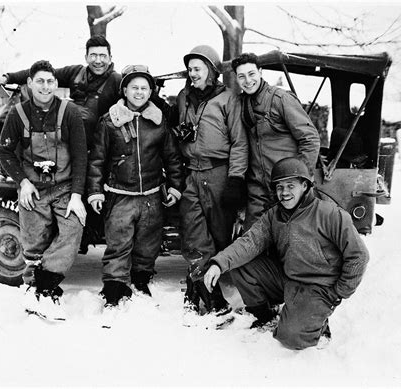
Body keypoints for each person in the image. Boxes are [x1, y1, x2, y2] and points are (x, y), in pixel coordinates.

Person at [203, 157, 369, 350]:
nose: (284, 192)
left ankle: (319, 323)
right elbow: (249, 242)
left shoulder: (330, 213)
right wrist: (219, 263)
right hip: (288, 278)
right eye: (280, 187)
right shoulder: (274, 215)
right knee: (240, 265)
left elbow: (359, 255)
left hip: (319, 287)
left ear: (305, 185)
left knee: (290, 338)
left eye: (291, 186)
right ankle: (266, 316)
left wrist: (339, 292)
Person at [0, 35, 122, 253]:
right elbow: (41, 74)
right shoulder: (76, 72)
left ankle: (84, 234)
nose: (98, 60)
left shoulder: (116, 81)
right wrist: (9, 77)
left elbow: (139, 94)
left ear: (110, 57)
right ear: (86, 56)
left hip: (99, 143)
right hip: (66, 140)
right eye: (93, 55)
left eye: (103, 56)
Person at [158, 45, 248, 315]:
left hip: (218, 172)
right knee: (194, 232)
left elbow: (240, 142)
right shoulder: (184, 96)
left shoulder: (229, 99)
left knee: (219, 236)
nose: (192, 73)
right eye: (190, 69)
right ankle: (209, 296)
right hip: (191, 173)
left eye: (197, 68)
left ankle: (197, 286)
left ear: (211, 70)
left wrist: (236, 179)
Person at [86, 65, 183, 307]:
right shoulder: (110, 121)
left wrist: (174, 186)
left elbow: (172, 157)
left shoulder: (159, 122)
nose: (139, 92)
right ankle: (115, 288)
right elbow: (97, 159)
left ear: (151, 91)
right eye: (134, 87)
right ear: (125, 91)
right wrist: (95, 192)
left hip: (150, 196)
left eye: (144, 88)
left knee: (147, 244)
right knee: (118, 243)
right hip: (120, 196)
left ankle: (141, 280)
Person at [0, 60, 87, 320]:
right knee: (33, 240)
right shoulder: (18, 114)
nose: (45, 86)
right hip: (33, 188)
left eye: (50, 81)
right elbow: (4, 151)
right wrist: (22, 182)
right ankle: (34, 289)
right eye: (40, 81)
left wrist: (77, 195)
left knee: (73, 228)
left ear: (56, 84)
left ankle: (43, 287)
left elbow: (81, 155)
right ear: (29, 83)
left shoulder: (69, 112)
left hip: (64, 187)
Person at [231, 53, 320, 230]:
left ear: (261, 72)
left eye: (251, 74)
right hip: (258, 189)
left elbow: (310, 138)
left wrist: (299, 178)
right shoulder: (241, 104)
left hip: (287, 186)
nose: (248, 81)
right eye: (241, 76)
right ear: (236, 79)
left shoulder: (280, 99)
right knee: (252, 241)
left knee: (293, 241)